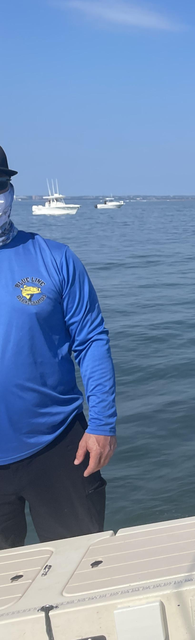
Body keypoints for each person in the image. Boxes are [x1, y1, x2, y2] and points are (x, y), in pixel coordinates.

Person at [0, 146, 118, 549]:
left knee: (79, 570)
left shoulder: (55, 258)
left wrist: (102, 423)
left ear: (10, 188)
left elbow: (91, 341)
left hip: (59, 447)